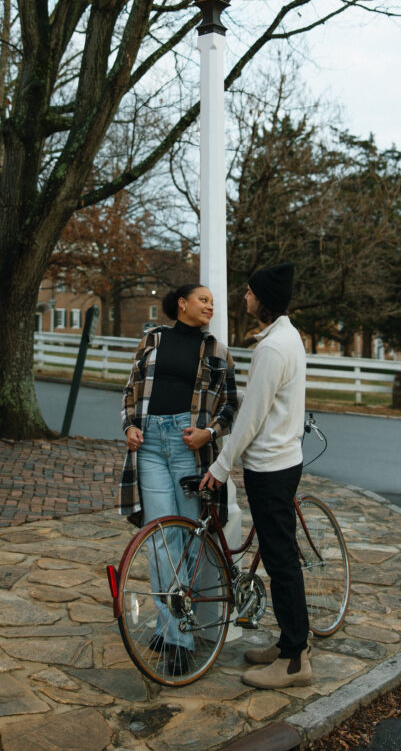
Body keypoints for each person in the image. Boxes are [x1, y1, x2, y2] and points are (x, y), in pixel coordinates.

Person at [116, 283, 238, 675]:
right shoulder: (151, 340)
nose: (210, 305)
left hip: (189, 446)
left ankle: (173, 632)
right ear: (181, 304)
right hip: (150, 443)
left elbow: (232, 405)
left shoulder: (218, 351)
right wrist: (130, 427)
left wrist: (210, 433)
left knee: (186, 538)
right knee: (158, 539)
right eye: (203, 299)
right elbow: (131, 390)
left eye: (212, 302)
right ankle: (175, 631)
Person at [200, 262, 311, 690]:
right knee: (282, 556)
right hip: (285, 459)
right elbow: (265, 399)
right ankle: (290, 644)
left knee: (281, 562)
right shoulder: (287, 336)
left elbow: (252, 416)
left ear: (262, 300)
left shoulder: (272, 348)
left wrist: (221, 463)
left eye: (248, 292)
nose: (243, 297)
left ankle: (294, 661)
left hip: (271, 466)